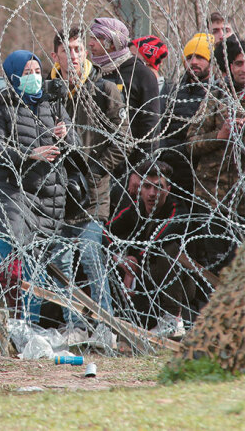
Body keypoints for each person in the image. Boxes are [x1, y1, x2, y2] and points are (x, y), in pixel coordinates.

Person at [0, 50, 80, 323]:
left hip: (49, 193)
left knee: (36, 263)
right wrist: (29, 154)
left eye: (37, 72)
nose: (34, 78)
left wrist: (66, 135)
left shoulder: (53, 105)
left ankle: (29, 325)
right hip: (15, 188)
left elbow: (76, 145)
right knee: (12, 233)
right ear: (14, 77)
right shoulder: (3, 109)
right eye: (27, 73)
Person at [48, 28, 127, 335]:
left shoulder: (104, 90)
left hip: (93, 192)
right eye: (66, 50)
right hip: (58, 191)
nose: (73, 56)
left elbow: (123, 139)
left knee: (92, 257)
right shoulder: (49, 93)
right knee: (61, 262)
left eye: (78, 49)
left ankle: (105, 325)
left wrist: (92, 171)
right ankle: (74, 325)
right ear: (55, 56)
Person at [107, 161, 220, 331]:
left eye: (158, 187)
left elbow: (158, 241)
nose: (152, 193)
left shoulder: (177, 210)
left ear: (168, 189)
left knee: (168, 249)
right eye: (147, 186)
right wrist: (120, 258)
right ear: (140, 189)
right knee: (97, 250)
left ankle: (173, 318)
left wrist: (134, 266)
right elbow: (105, 232)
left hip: (181, 285)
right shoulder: (136, 208)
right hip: (147, 277)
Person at [187, 35, 245, 220]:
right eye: (239, 63)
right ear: (230, 67)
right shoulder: (216, 98)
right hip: (211, 196)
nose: (243, 69)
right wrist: (220, 135)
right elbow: (191, 143)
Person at [88, 18, 161, 159]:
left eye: (97, 38)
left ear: (113, 42)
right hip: (95, 160)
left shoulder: (141, 75)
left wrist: (143, 165)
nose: (91, 43)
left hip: (130, 161)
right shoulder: (92, 73)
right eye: (91, 37)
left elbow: (150, 126)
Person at [159, 33, 214, 198]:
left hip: (200, 174)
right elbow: (161, 128)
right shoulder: (173, 92)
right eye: (189, 57)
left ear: (211, 62)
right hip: (170, 171)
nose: (194, 62)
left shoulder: (216, 95)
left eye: (200, 57)